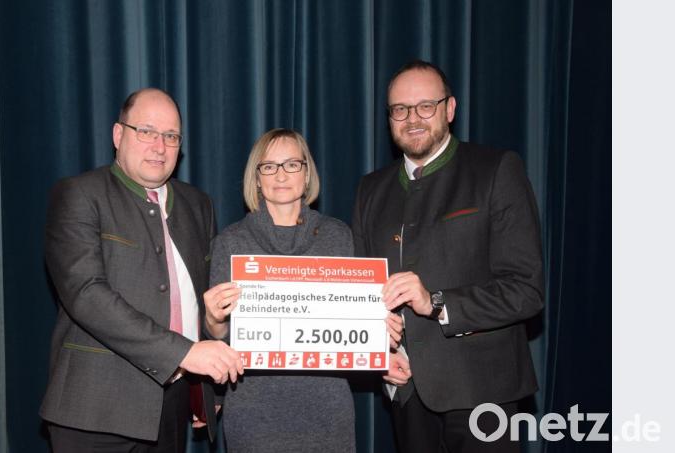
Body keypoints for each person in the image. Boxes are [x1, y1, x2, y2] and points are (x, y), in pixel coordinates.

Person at [352, 60, 544, 452]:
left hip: (484, 392)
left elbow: (526, 290)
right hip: (408, 391)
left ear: (450, 109)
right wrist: (377, 354)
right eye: (400, 109)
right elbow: (362, 291)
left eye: (426, 106)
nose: (413, 119)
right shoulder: (371, 189)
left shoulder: (495, 170)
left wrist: (436, 303)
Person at [40, 88, 244, 453]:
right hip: (95, 412)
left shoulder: (198, 204)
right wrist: (185, 353)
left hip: (172, 406)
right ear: (119, 135)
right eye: (146, 131)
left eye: (171, 136)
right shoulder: (80, 194)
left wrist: (207, 390)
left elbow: (201, 303)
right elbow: (86, 294)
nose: (159, 146)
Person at [203, 128, 403, 452]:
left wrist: (380, 332)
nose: (280, 175)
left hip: (328, 409)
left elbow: (354, 323)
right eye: (269, 166)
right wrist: (214, 321)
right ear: (256, 177)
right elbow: (218, 339)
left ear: (307, 173)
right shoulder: (231, 242)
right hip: (254, 414)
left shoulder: (339, 236)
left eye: (292, 164)